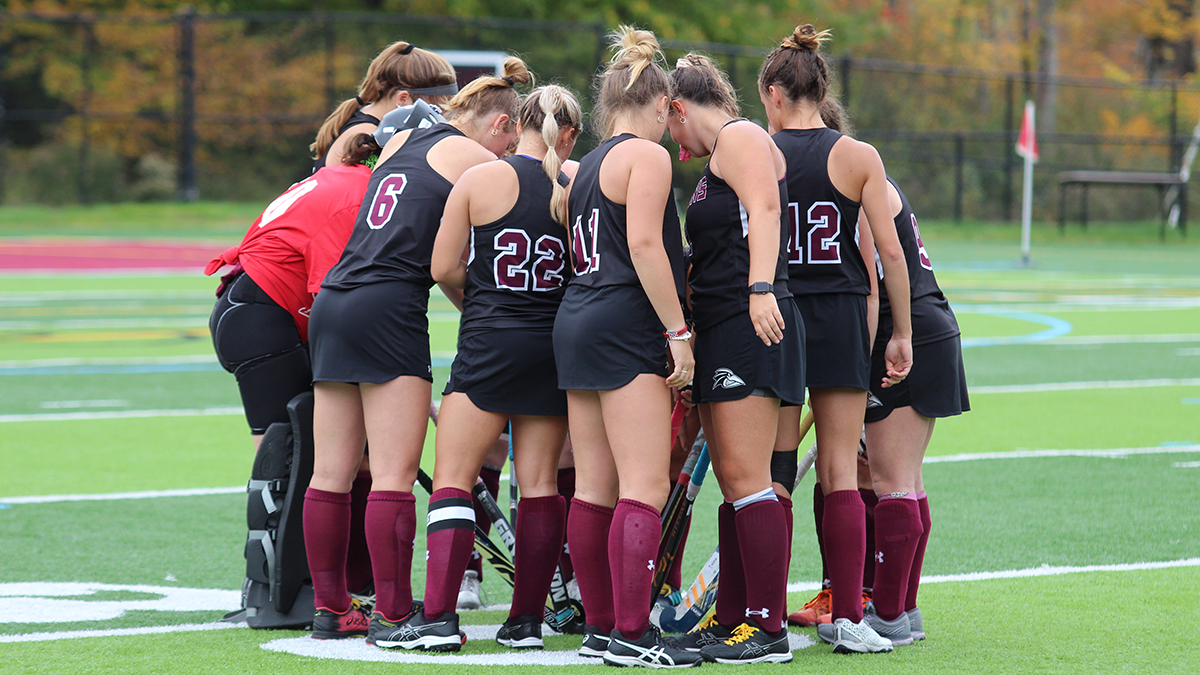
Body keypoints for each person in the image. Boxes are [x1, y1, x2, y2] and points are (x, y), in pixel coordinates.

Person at [299, 58, 530, 644]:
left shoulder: (401, 130)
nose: (507, 154)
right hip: (388, 305)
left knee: (331, 472)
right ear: (499, 124)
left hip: (335, 299)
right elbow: (527, 188)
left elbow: (360, 136)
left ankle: (331, 607)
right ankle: (396, 613)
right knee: (394, 476)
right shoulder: (474, 157)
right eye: (509, 140)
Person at [391, 84, 583, 652]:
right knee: (542, 485)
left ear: (519, 121)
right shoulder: (574, 186)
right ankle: (526, 622)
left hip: (488, 342)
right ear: (569, 135)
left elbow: (443, 265)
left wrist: (485, 301)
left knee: (452, 478)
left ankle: (439, 618)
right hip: (551, 346)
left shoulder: (479, 178)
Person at [759, 24, 913, 654]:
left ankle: (761, 615)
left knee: (773, 472)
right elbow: (890, 255)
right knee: (841, 474)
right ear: (821, 91)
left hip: (776, 315)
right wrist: (900, 331)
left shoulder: (755, 152)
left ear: (773, 92)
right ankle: (849, 615)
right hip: (841, 315)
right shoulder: (856, 155)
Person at [553, 26, 700, 669]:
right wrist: (679, 333)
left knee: (592, 485)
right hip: (622, 322)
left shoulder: (584, 165)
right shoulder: (648, 156)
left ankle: (603, 625)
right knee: (642, 482)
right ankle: (633, 632)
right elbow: (644, 246)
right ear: (662, 103)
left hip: (577, 318)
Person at [661, 54, 801, 664]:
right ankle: (735, 620)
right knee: (735, 484)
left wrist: (761, 288)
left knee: (749, 481)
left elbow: (766, 211)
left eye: (672, 127)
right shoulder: (717, 154)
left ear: (679, 107)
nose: (676, 145)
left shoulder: (740, 136)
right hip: (722, 326)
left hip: (751, 323)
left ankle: (768, 629)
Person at [206, 133, 382, 450]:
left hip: (251, 307)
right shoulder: (359, 193)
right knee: (288, 453)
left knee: (336, 448)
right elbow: (333, 297)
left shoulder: (341, 176)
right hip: (262, 317)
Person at [859, 175, 970, 646]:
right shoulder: (870, 176)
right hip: (932, 327)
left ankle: (887, 615)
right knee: (909, 481)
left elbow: (872, 281)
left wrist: (851, 368)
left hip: (905, 336)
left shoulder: (857, 185)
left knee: (892, 484)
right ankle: (903, 608)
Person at [311, 41, 458, 170]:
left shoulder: (363, 121)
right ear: (403, 99)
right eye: (436, 109)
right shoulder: (368, 137)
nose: (441, 117)